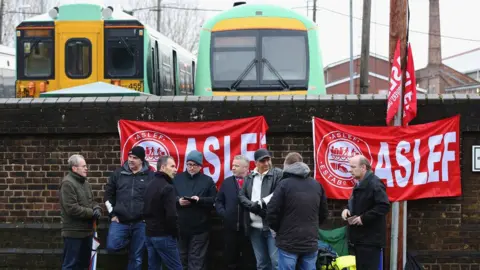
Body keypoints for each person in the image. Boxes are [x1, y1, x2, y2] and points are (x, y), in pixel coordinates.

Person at [267, 152, 328, 270]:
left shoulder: (284, 184)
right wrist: (312, 226)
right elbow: (324, 213)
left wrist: (279, 230)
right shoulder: (317, 185)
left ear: (286, 165)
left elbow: (271, 211)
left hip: (287, 242)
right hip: (310, 241)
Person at [104, 146, 155, 270]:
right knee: (112, 246)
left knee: (137, 257)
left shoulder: (151, 176)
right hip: (120, 221)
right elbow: (107, 196)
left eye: (135, 158)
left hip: (141, 223)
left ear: (142, 160)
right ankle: (131, 241)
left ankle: (134, 243)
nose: (131, 160)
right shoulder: (118, 174)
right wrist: (112, 215)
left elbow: (155, 199)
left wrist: (149, 217)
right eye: (130, 157)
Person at [341, 155, 390, 270]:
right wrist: (347, 209)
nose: (350, 170)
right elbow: (356, 203)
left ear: (363, 167)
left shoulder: (374, 183)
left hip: (370, 240)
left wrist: (363, 218)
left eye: (353, 167)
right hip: (360, 239)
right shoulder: (359, 183)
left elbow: (383, 206)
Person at [238, 148, 283, 270]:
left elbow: (279, 192)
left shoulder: (277, 174)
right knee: (261, 263)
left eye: (268, 160)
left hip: (271, 227)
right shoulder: (249, 178)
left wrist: (262, 203)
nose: (267, 163)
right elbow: (241, 196)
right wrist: (253, 206)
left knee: (276, 262)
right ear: (256, 163)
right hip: (254, 227)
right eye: (263, 161)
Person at [173, 150, 217, 270]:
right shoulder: (177, 179)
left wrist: (200, 200)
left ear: (200, 166)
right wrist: (178, 201)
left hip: (200, 228)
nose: (191, 168)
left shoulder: (207, 181)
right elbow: (167, 198)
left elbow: (214, 199)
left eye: (195, 165)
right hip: (180, 227)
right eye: (189, 164)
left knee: (197, 260)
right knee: (180, 259)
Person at [59, 154, 102, 270]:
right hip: (73, 232)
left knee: (84, 265)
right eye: (83, 166)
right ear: (74, 168)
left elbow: (91, 202)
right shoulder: (68, 183)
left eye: (86, 166)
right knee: (70, 265)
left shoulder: (85, 183)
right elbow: (71, 208)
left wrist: (97, 208)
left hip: (87, 232)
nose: (86, 168)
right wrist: (91, 213)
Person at [144, 155, 183, 270]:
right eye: (172, 166)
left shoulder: (149, 185)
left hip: (149, 234)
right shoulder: (168, 187)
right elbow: (171, 215)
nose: (175, 169)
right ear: (162, 167)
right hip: (164, 235)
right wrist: (175, 233)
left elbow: (145, 210)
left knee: (154, 267)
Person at [215, 155, 251, 270]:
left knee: (248, 259)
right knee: (230, 258)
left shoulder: (252, 181)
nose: (233, 168)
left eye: (236, 165)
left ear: (245, 168)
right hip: (230, 228)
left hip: (249, 229)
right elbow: (218, 201)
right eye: (232, 165)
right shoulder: (227, 183)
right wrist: (224, 214)